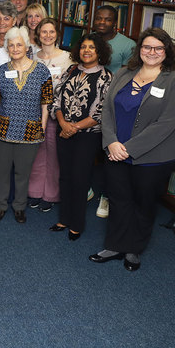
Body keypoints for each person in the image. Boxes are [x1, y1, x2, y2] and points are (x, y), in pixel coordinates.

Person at [90, 28, 175, 272]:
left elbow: (166, 124)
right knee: (118, 200)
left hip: (153, 158)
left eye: (158, 48)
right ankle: (114, 245)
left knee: (143, 204)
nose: (151, 52)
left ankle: (134, 249)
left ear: (166, 51)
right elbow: (108, 111)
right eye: (147, 47)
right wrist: (111, 142)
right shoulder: (124, 72)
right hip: (114, 151)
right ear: (139, 49)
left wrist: (128, 149)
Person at [0, 26, 53, 224]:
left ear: (27, 47)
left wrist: (41, 128)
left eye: (19, 45)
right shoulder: (1, 71)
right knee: (2, 171)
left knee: (23, 173)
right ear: (7, 48)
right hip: (3, 129)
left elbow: (46, 102)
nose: (15, 48)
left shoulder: (41, 71)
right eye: (11, 45)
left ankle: (19, 207)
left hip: (30, 130)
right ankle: (0, 206)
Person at [51, 33, 112, 241]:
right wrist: (62, 123)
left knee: (80, 179)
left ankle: (76, 224)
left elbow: (100, 113)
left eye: (92, 48)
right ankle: (64, 218)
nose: (87, 51)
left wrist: (73, 127)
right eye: (84, 47)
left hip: (87, 136)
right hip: (63, 131)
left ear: (99, 51)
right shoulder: (71, 70)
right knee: (65, 176)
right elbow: (57, 98)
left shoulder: (105, 77)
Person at [91, 5, 136, 218]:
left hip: (113, 105)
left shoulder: (127, 45)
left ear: (115, 22)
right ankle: (87, 186)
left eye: (107, 19)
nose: (102, 22)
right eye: (98, 18)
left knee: (110, 153)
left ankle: (107, 197)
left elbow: (131, 77)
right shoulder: (89, 38)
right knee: (88, 150)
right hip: (89, 102)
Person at [27, 18, 74, 212]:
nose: (47, 35)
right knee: (35, 154)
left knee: (54, 155)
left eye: (51, 32)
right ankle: (35, 192)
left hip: (57, 113)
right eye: (43, 32)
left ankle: (50, 194)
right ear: (38, 35)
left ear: (57, 34)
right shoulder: (32, 56)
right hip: (34, 111)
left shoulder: (69, 58)